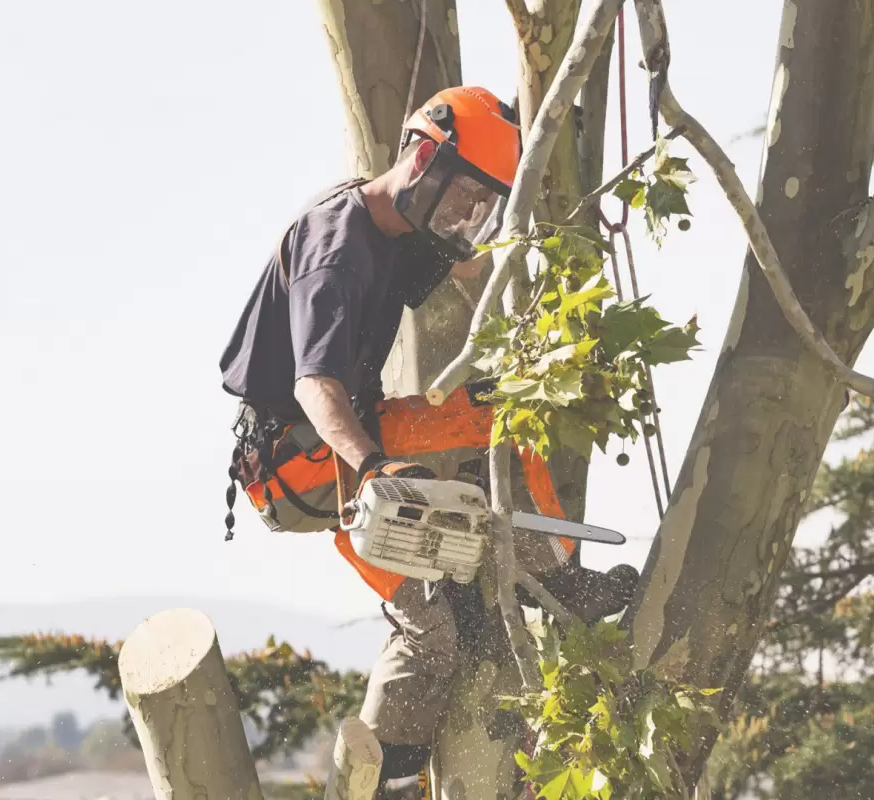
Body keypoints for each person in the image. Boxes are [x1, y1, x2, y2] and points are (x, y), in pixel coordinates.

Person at [217, 86, 637, 799]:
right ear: (422, 157)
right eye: (466, 192)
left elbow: (475, 270)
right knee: (437, 606)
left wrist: (543, 318)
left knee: (496, 425)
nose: (468, 213)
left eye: (484, 200)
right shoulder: (337, 249)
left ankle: (548, 578)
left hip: (348, 443)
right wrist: (377, 466)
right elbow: (316, 384)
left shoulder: (399, 231)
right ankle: (550, 582)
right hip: (304, 459)